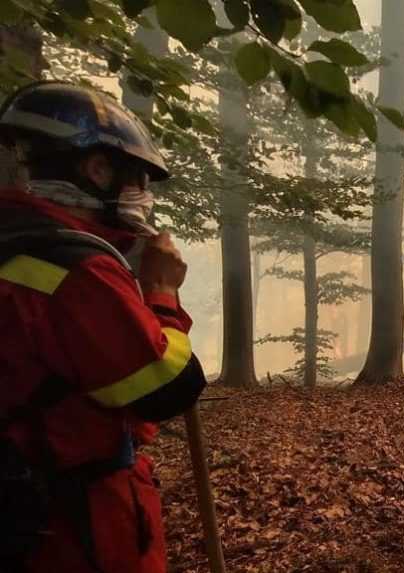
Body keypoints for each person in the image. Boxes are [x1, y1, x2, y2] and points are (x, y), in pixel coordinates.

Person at [0, 81, 206, 573]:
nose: (144, 196)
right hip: (76, 521)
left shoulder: (14, 241)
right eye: (137, 179)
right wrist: (162, 290)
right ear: (97, 170)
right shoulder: (79, 269)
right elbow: (167, 388)